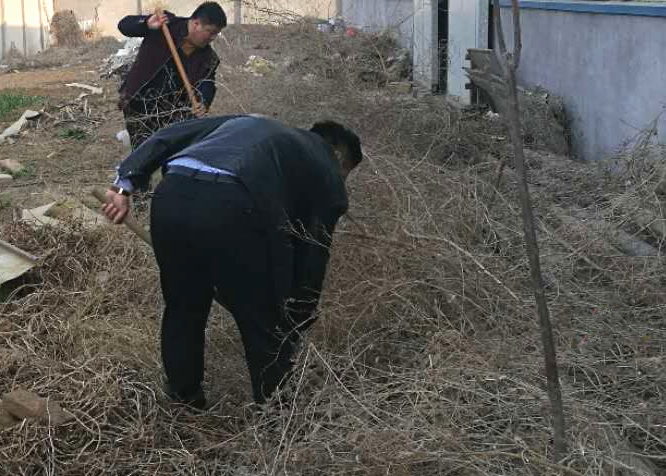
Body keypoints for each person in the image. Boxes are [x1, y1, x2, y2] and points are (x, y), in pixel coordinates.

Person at [101, 114, 363, 409]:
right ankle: (277, 413)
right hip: (233, 200)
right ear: (339, 156)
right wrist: (297, 316)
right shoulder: (327, 166)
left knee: (183, 305)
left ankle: (183, 399)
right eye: (346, 174)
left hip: (172, 195)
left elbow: (167, 136)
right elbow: (313, 252)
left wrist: (123, 186)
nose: (342, 180)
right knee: (264, 318)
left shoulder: (247, 123)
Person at [117, 2, 226, 151]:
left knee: (169, 151)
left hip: (173, 111)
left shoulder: (209, 59)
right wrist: (146, 23)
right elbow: (124, 25)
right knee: (144, 151)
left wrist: (204, 102)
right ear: (196, 24)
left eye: (216, 33)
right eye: (210, 32)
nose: (213, 37)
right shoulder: (166, 25)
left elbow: (207, 83)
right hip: (140, 101)